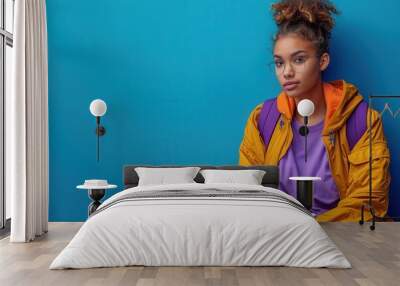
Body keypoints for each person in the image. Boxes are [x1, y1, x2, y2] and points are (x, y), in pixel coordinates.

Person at [239, 0, 390, 222]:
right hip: (277, 236)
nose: (287, 72)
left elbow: (369, 200)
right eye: (279, 63)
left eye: (299, 60)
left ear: (323, 61)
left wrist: (311, 230)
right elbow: (249, 194)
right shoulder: (262, 119)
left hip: (342, 238)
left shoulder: (361, 120)